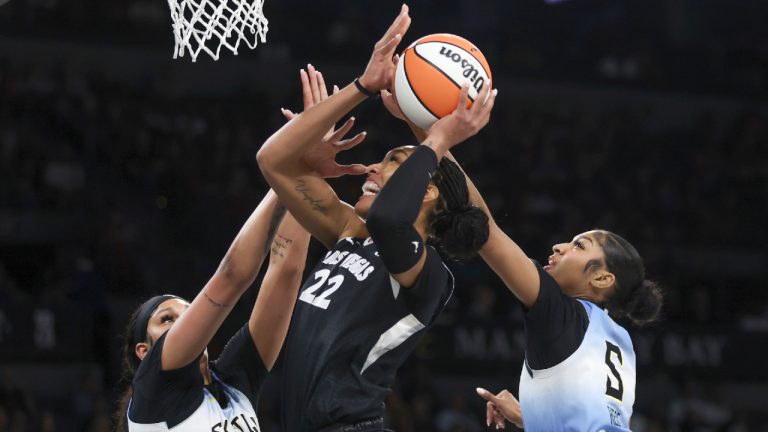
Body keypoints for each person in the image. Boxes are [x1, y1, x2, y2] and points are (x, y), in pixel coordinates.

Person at [256, 5, 497, 431]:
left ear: (426, 190)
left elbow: (390, 219)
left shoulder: (428, 274)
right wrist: (361, 87)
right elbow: (273, 160)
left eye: (391, 161)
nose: (370, 167)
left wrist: (436, 136)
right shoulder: (352, 232)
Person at [379, 79, 663, 431]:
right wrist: (531, 420)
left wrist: (429, 130)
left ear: (603, 278)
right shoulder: (621, 341)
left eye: (579, 246)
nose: (559, 246)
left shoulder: (561, 313)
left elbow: (484, 227)